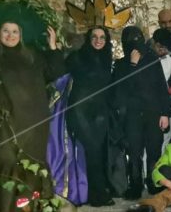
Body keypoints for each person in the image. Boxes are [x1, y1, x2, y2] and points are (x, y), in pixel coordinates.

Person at [0, 11, 65, 212]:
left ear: (21, 34)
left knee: (32, 162)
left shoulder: (34, 55)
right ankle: (6, 207)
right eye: (5, 31)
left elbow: (56, 73)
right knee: (6, 160)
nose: (10, 36)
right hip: (5, 121)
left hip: (34, 121)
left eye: (15, 31)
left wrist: (53, 47)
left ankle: (30, 207)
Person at [114, 26, 170, 199]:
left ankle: (153, 182)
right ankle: (135, 184)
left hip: (153, 113)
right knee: (135, 151)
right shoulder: (121, 64)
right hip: (132, 115)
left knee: (154, 150)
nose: (134, 42)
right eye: (130, 39)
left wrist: (165, 113)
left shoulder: (152, 59)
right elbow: (122, 90)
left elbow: (162, 88)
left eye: (137, 38)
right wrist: (132, 65)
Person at [65, 26, 114, 206]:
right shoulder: (77, 57)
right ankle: (96, 195)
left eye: (102, 37)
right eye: (94, 36)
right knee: (91, 151)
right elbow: (57, 74)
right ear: (89, 38)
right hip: (81, 111)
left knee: (98, 152)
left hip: (100, 111)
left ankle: (95, 191)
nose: (98, 40)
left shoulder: (106, 58)